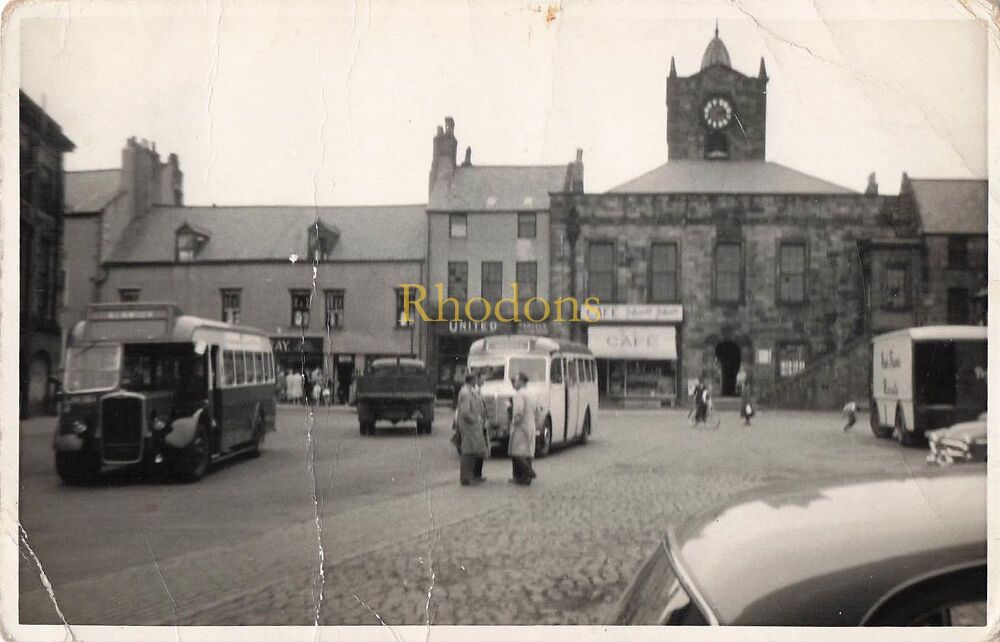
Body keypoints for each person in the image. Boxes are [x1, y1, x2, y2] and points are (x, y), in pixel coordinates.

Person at [456, 373, 488, 486]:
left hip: (472, 427)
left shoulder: (469, 391)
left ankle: (469, 477)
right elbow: (465, 412)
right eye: (476, 379)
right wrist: (476, 420)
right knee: (468, 452)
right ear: (473, 380)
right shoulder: (466, 393)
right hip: (469, 427)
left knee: (471, 451)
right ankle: (465, 478)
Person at [509, 372, 536, 485]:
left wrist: (515, 422)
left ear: (521, 381)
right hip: (530, 424)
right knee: (526, 452)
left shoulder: (519, 394)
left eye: (515, 380)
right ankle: (523, 477)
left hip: (520, 427)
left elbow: (518, 411)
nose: (513, 383)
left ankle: (528, 473)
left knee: (517, 452)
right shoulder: (531, 394)